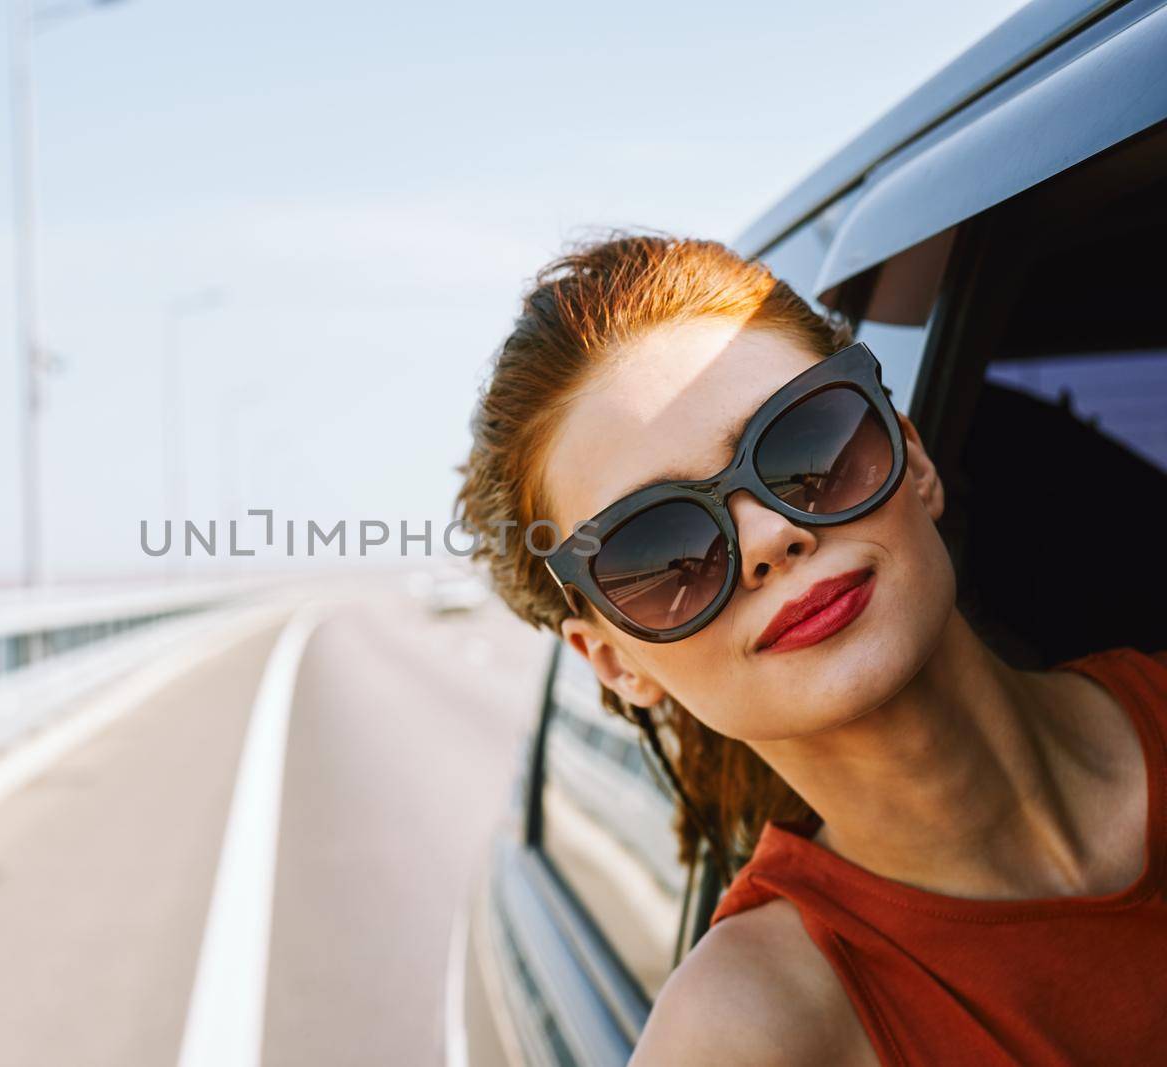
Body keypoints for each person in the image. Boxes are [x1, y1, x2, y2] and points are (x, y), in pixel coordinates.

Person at [452, 232, 1167, 1065]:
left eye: (808, 446)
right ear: (618, 664)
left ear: (912, 453)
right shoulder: (749, 1031)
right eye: (658, 547)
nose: (770, 535)